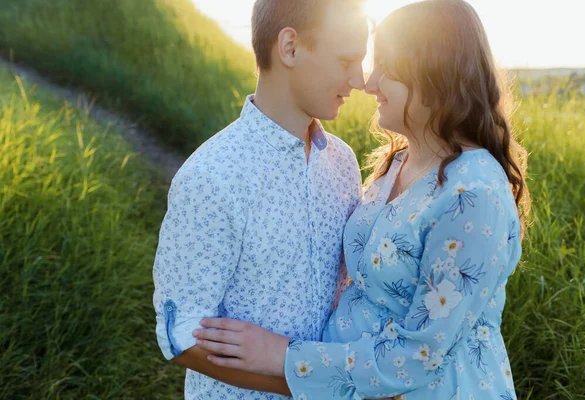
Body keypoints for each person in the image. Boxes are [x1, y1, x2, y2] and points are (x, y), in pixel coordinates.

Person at [192, 1, 531, 399]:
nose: (368, 84)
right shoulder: (398, 163)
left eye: (387, 67)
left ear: (435, 73)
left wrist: (283, 356)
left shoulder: (474, 195)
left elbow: (421, 354)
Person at [152, 0, 369, 398]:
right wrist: (314, 385)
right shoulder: (211, 177)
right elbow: (181, 336)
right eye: (346, 61)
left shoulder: (343, 163)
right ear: (289, 48)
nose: (359, 79)